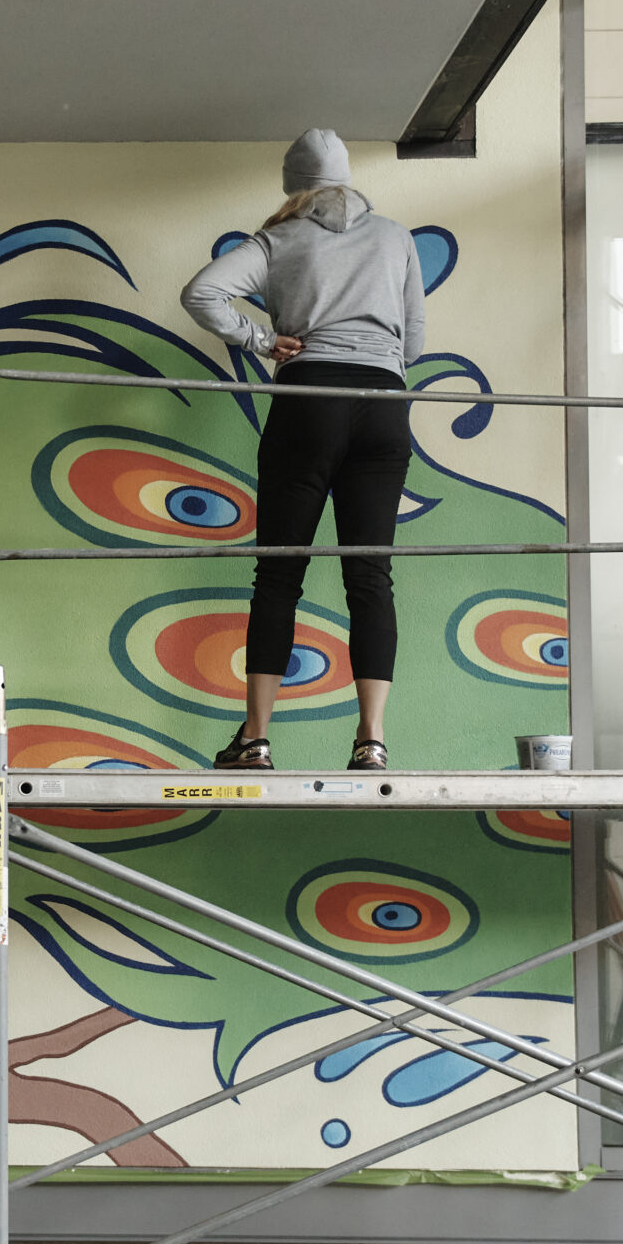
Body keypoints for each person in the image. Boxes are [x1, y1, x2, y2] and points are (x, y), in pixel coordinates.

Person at [179, 130, 424, 772]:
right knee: (370, 575)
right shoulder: (396, 238)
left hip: (310, 401)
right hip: (385, 405)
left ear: (294, 187)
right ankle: (371, 740)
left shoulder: (277, 240)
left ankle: (255, 738)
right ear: (347, 179)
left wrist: (262, 340)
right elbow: (416, 340)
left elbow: (200, 293)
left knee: (280, 574)